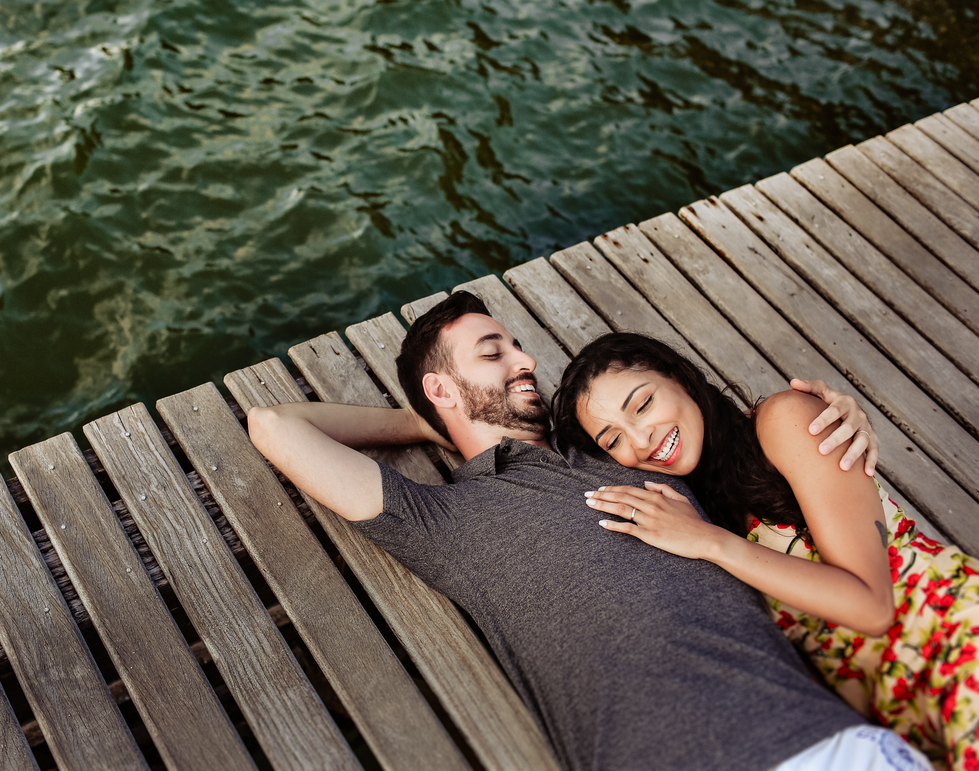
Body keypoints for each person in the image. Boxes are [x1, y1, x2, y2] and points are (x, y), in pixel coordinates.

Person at [249, 291, 934, 771]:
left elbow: (736, 441)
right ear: (443, 389)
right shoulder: (443, 519)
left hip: (829, 744)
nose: (525, 362)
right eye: (494, 353)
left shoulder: (624, 450)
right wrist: (428, 424)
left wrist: (834, 410)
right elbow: (276, 428)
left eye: (518, 346)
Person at [555, 330, 979, 771]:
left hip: (955, 637)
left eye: (642, 405)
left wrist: (712, 542)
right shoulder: (691, 511)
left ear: (679, 376)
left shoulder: (783, 421)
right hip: (898, 718)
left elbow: (871, 607)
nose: (641, 441)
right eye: (613, 441)